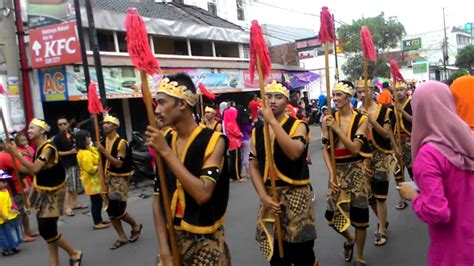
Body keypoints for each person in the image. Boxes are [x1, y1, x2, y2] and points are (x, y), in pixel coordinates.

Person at [146, 73, 230, 265]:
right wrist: (164, 249)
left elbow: (202, 194)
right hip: (172, 238)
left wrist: (166, 152)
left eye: (162, 102)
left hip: (205, 243)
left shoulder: (214, 141)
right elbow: (158, 197)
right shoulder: (165, 140)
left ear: (182, 104)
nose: (156, 110)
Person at [398, 81, 474, 266]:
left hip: (453, 252)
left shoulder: (429, 156)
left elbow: (438, 212)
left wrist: (414, 197)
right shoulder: (468, 141)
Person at [249, 80, 316, 265]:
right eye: (268, 96)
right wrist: (263, 196)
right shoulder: (258, 131)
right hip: (270, 196)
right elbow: (253, 164)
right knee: (277, 255)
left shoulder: (298, 126)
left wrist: (272, 122)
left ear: (287, 102)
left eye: (278, 97)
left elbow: (294, 153)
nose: (272, 100)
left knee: (302, 253)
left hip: (296, 194)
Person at [5, 118, 82, 266]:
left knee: (47, 230)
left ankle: (74, 252)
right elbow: (36, 175)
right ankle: (54, 263)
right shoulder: (38, 149)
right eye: (28, 128)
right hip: (43, 193)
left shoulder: (48, 148)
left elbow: (34, 168)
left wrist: (16, 154)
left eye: (32, 128)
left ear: (41, 131)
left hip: (54, 194)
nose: (29, 131)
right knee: (49, 230)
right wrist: (30, 198)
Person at [322, 81, 371, 265]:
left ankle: (360, 255)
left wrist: (336, 128)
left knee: (360, 218)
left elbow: (354, 149)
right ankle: (350, 239)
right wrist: (331, 173)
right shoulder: (327, 119)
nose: (334, 99)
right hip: (337, 172)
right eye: (333, 95)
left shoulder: (361, 119)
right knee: (331, 216)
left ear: (348, 97)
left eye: (338, 95)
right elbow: (326, 149)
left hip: (356, 170)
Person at [357, 80, 395, 246]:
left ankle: (382, 229)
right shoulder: (357, 112)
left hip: (380, 155)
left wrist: (371, 121)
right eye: (358, 91)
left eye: (364, 90)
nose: (362, 94)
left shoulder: (385, 110)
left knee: (380, 195)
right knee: (369, 195)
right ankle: (382, 220)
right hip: (365, 156)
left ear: (372, 91)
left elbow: (386, 135)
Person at [96, 115, 142, 250]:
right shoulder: (103, 142)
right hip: (107, 178)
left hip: (119, 178)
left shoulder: (121, 143)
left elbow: (117, 163)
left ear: (115, 126)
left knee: (119, 210)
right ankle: (122, 236)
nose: (105, 125)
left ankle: (135, 225)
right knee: (110, 210)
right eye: (104, 123)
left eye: (108, 123)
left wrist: (104, 152)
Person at [0, 137, 38, 243]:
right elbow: (22, 168)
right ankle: (23, 234)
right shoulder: (7, 156)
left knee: (23, 211)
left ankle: (27, 231)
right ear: (4, 145)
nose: (13, 145)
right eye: (10, 143)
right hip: (14, 188)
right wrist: (36, 169)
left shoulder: (9, 155)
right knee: (20, 211)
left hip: (15, 186)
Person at [75, 130, 110, 230]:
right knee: (96, 202)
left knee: (98, 201)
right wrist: (98, 166)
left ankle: (99, 219)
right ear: (83, 139)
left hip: (96, 181)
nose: (89, 139)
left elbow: (98, 154)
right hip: (92, 182)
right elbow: (90, 169)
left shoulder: (88, 149)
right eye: (88, 137)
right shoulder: (84, 153)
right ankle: (97, 222)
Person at [53, 116, 85, 217]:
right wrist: (69, 152)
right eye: (60, 124)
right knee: (69, 186)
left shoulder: (72, 134)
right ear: (58, 126)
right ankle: (67, 207)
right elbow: (56, 153)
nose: (63, 126)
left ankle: (75, 203)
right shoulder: (57, 138)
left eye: (64, 123)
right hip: (67, 164)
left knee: (76, 185)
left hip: (76, 161)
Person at [393, 82, 413, 210]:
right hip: (397, 141)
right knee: (397, 172)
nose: (399, 92)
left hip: (410, 141)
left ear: (407, 90)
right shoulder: (393, 105)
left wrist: (402, 111)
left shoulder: (412, 103)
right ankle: (402, 198)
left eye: (401, 89)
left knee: (414, 171)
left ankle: (422, 195)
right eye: (396, 90)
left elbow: (415, 120)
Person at [0, 170, 22, 256]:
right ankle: (5, 248)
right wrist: (2, 215)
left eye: (6, 182)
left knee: (11, 231)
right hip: (2, 218)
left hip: (8, 216)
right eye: (3, 182)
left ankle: (13, 246)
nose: (5, 183)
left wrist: (13, 209)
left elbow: (9, 203)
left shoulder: (6, 191)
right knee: (3, 235)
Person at [224, 107, 244, 181]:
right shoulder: (231, 124)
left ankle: (234, 176)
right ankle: (237, 176)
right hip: (234, 144)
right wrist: (240, 134)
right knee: (236, 161)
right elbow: (237, 134)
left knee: (234, 160)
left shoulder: (230, 123)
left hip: (233, 144)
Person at [236, 105, 253, 180]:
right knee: (246, 155)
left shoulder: (236, 120)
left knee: (241, 156)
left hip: (239, 139)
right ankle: (248, 171)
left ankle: (242, 171)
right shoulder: (245, 120)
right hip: (246, 138)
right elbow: (248, 129)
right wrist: (252, 125)